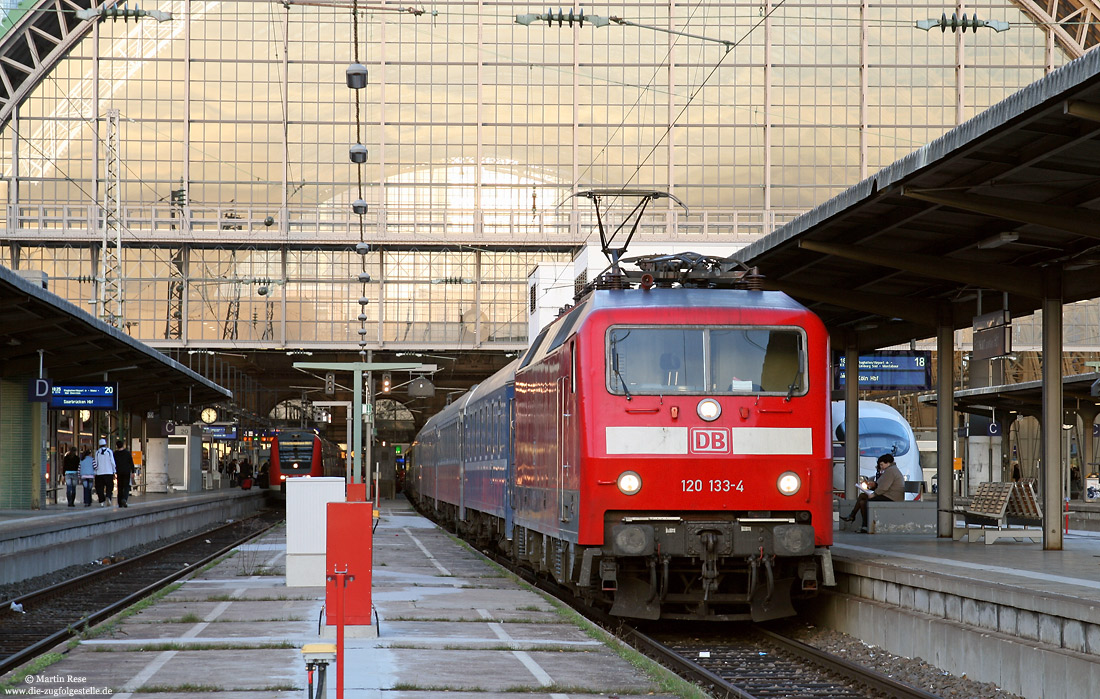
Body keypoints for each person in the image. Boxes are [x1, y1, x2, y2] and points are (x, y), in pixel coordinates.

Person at [841, 453, 905, 533]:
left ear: (887, 463)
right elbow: (882, 485)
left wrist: (874, 494)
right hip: (889, 495)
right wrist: (873, 485)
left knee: (865, 502)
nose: (881, 467)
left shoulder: (891, 471)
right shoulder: (890, 470)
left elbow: (883, 487)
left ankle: (863, 524)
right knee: (862, 497)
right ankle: (855, 518)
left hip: (891, 497)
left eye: (882, 464)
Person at [92, 438, 117, 507]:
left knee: (100, 488)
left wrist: (95, 472)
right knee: (109, 486)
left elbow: (96, 463)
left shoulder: (97, 452)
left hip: (99, 473)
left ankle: (101, 501)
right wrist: (114, 471)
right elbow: (112, 462)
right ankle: (108, 496)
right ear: (105, 444)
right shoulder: (109, 451)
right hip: (109, 472)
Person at [113, 440, 135, 508]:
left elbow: (113, 463)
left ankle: (120, 503)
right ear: (123, 445)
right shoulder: (127, 453)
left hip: (119, 472)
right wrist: (133, 472)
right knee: (126, 486)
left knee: (120, 487)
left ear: (117, 446)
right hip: (126, 472)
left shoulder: (115, 454)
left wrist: (114, 472)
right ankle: (124, 499)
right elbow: (131, 463)